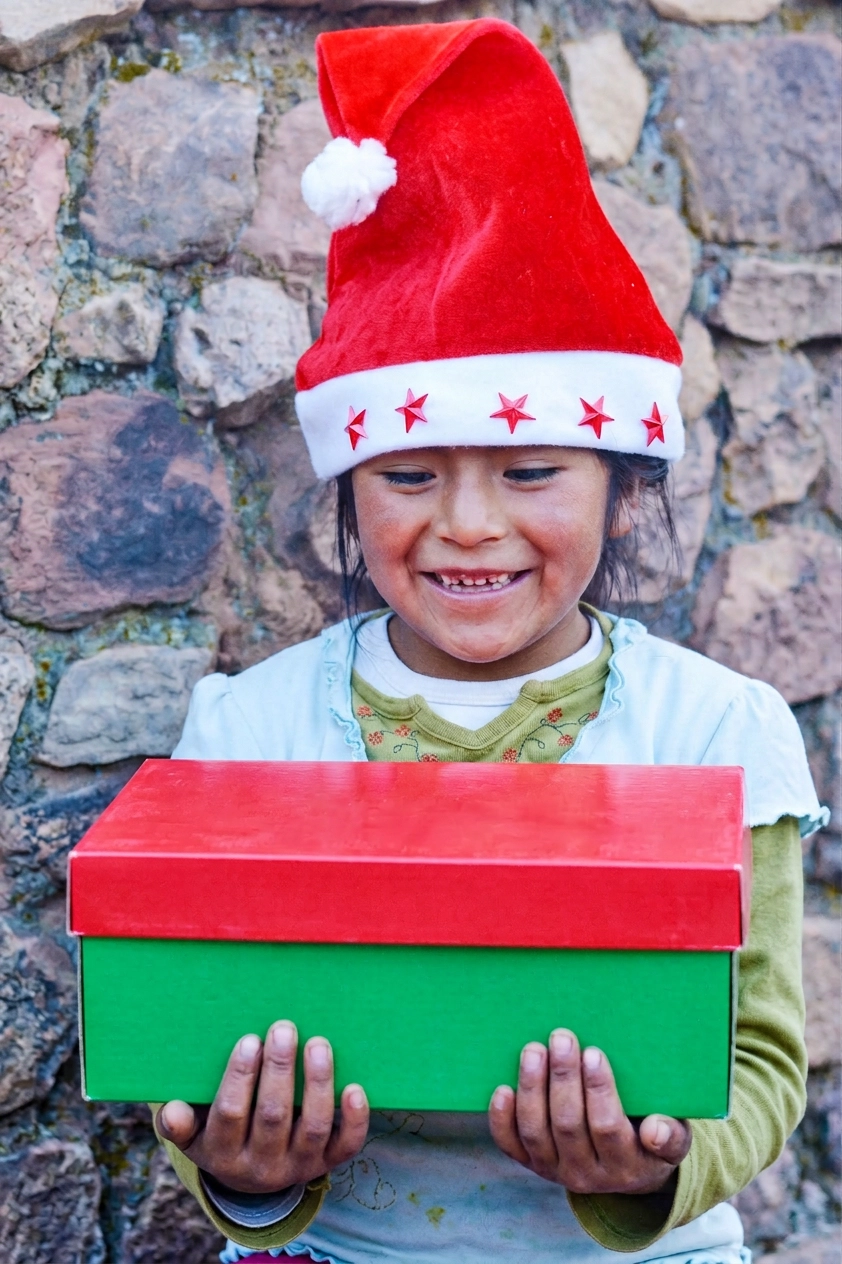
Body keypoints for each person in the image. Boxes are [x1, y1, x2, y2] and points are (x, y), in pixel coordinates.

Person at [155, 18, 827, 1264]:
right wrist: (237, 1168)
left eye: (529, 468)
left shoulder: (714, 733)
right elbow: (189, 1049)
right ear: (348, 482)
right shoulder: (249, 734)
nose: (467, 524)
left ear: (622, 485)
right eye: (406, 470)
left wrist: (653, 1163)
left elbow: (760, 1063)